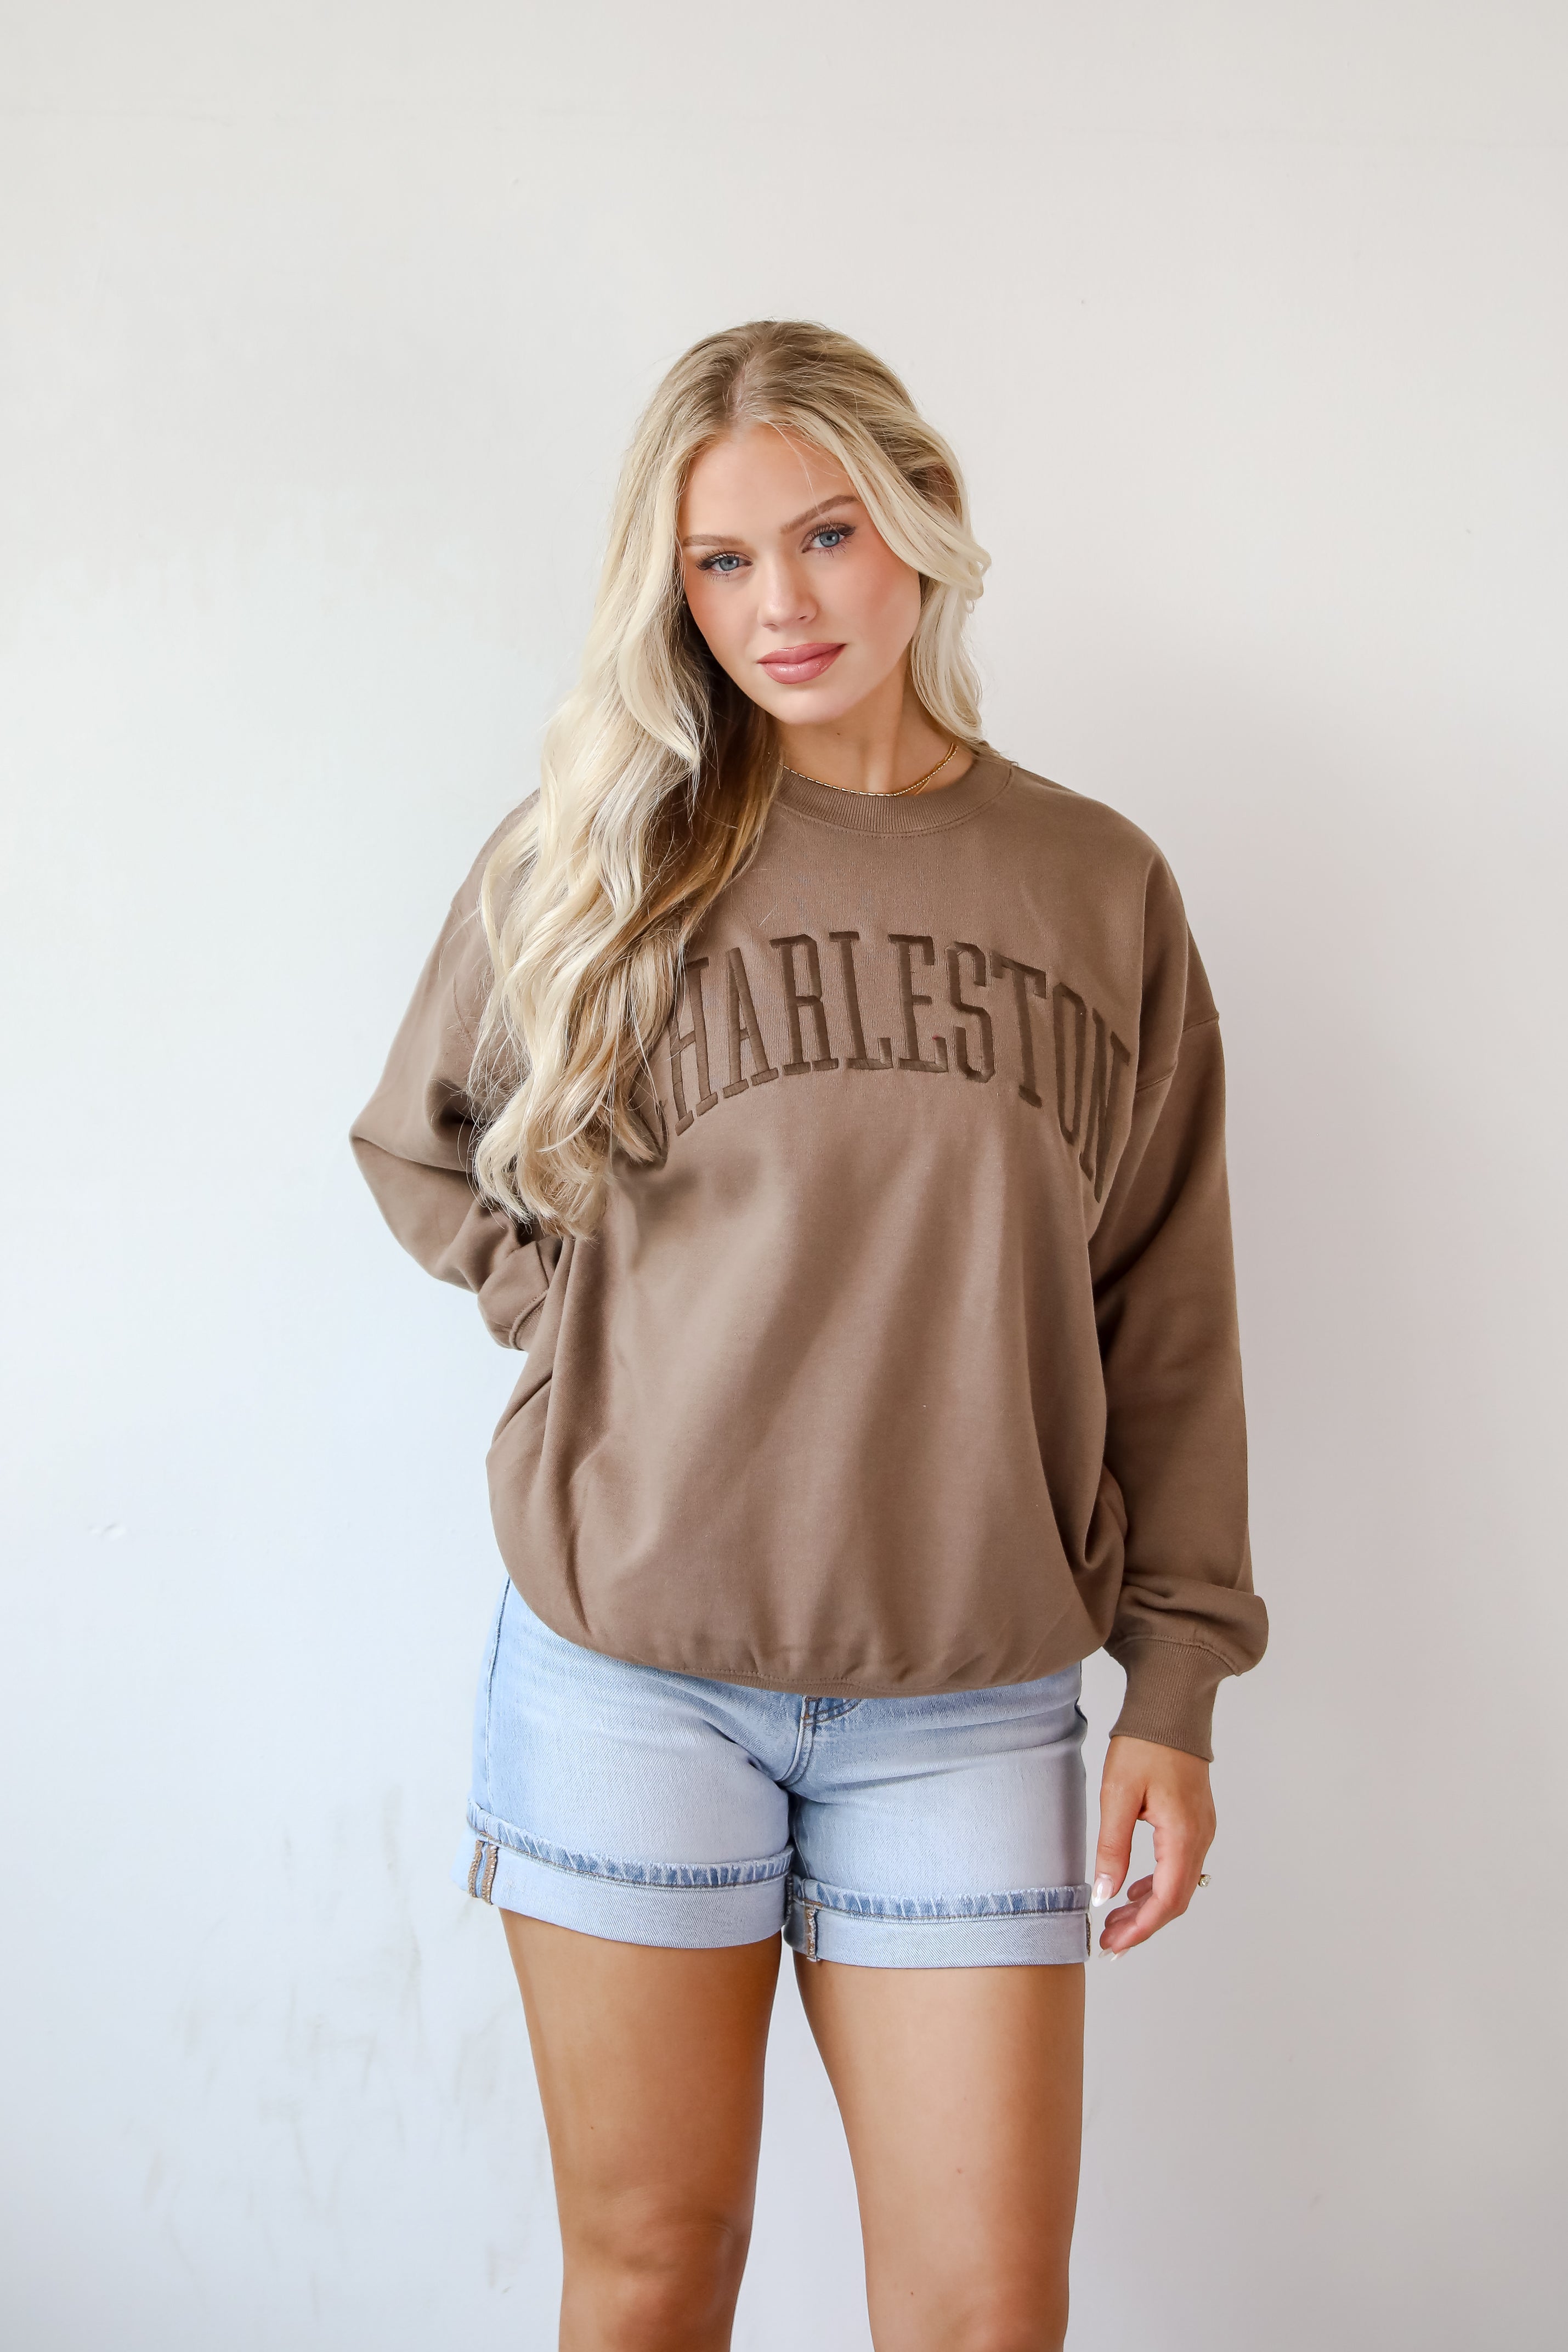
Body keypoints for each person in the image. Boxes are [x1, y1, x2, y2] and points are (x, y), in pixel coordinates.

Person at [349, 319, 1267, 2352]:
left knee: (980, 2312)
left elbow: (1165, 1308)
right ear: (669, 588)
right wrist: (586, 1327)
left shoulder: (1092, 884)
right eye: (720, 561)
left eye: (827, 535)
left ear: (922, 522)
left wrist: (1178, 1688)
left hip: (968, 1691)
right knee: (655, 2277)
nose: (780, 603)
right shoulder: (597, 857)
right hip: (628, 1676)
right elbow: (421, 1146)